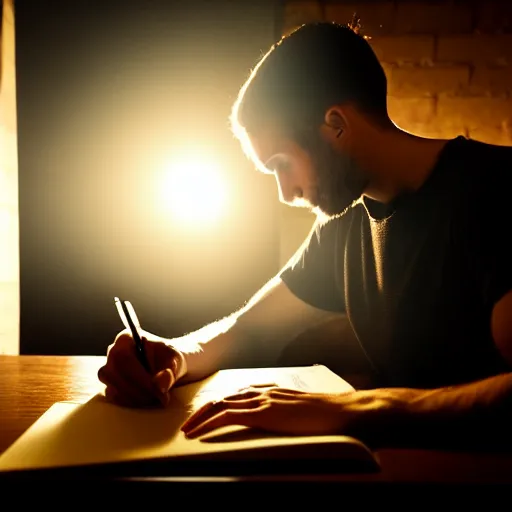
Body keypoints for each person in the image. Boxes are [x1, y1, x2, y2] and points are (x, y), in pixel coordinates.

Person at [98, 22, 512, 450]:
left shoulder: (494, 191)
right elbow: (249, 329)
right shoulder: (344, 223)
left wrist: (353, 410)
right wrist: (177, 354)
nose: (286, 192)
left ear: (335, 124)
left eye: (281, 163)